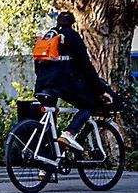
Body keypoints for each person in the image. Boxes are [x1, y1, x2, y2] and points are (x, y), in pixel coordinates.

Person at [34, 11, 115, 152]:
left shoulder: (48, 36)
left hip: (43, 84)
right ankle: (68, 134)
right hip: (63, 83)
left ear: (57, 22)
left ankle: (45, 169)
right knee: (88, 104)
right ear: (73, 24)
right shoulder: (73, 36)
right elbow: (86, 66)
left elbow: (38, 63)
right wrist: (100, 90)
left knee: (49, 126)